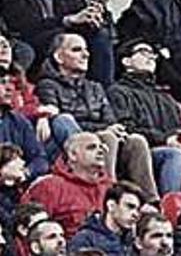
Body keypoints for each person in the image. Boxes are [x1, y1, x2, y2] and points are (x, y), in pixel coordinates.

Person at [38, 33, 159, 200]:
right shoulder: (47, 85)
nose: (86, 54)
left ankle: (151, 202)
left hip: (101, 140)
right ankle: (107, 191)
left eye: (86, 50)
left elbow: (110, 120)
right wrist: (103, 130)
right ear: (59, 57)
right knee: (103, 135)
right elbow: (59, 122)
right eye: (76, 50)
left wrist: (111, 129)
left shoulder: (95, 87)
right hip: (68, 146)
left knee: (136, 141)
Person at [106, 38, 181, 196]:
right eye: (144, 52)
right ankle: (170, 208)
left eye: (153, 54)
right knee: (174, 155)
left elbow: (178, 128)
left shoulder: (165, 97)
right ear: (126, 61)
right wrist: (165, 140)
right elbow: (126, 128)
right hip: (142, 153)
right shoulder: (118, 92)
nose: (151, 57)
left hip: (170, 147)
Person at [22, 133, 113, 236]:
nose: (100, 151)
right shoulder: (48, 186)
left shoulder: (111, 187)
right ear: (73, 155)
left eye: (101, 147)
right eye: (91, 147)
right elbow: (31, 231)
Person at [67, 181, 143, 256]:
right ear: (111, 206)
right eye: (130, 207)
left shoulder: (133, 242)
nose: (136, 214)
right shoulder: (85, 239)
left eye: (138, 210)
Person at [0, 65, 48, 178]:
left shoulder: (18, 121)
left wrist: (24, 173)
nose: (10, 88)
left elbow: (41, 160)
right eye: (2, 82)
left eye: (12, 83)